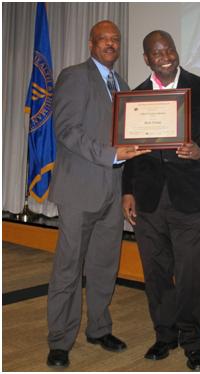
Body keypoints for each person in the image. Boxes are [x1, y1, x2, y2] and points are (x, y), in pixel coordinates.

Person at [122, 30, 200, 371]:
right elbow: (131, 153)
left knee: (192, 275)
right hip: (149, 200)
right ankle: (165, 335)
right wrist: (127, 191)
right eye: (156, 52)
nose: (165, 55)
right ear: (147, 59)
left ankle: (193, 343)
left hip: (192, 198)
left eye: (168, 48)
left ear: (175, 50)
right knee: (156, 272)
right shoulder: (136, 96)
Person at [46, 20, 150, 368]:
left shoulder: (121, 85)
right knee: (69, 267)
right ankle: (61, 340)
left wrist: (127, 183)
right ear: (91, 43)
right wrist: (113, 155)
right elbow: (67, 131)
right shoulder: (74, 76)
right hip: (79, 189)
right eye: (104, 39)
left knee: (105, 265)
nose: (110, 44)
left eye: (115, 40)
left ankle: (99, 328)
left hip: (112, 189)